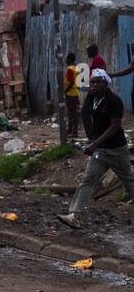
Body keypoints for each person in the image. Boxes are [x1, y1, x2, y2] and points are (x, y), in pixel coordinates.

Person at [57, 68, 134, 228]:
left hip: (116, 150)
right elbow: (85, 113)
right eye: (92, 82)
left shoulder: (114, 101)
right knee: (88, 180)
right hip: (100, 152)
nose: (94, 85)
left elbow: (115, 127)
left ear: (106, 84)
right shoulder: (91, 97)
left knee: (129, 181)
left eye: (98, 82)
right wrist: (92, 137)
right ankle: (74, 215)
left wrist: (94, 144)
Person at [64, 52, 81, 138]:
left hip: (70, 94)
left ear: (70, 59)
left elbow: (71, 82)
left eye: (66, 58)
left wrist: (65, 91)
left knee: (72, 113)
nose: (65, 60)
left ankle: (74, 132)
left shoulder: (70, 69)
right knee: (72, 113)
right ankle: (70, 130)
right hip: (75, 93)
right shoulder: (76, 69)